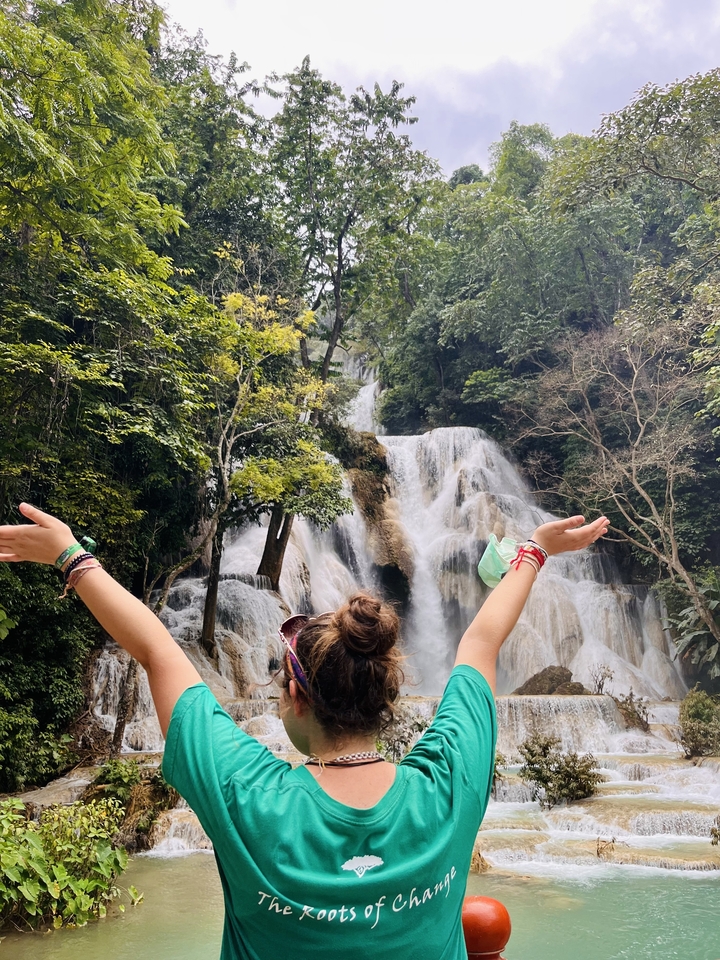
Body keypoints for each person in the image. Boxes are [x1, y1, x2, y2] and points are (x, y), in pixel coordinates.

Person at [0, 503, 608, 960]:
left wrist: (71, 557)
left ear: (295, 697)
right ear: (386, 695)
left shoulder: (251, 796)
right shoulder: (449, 782)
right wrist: (533, 549)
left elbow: (158, 651)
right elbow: (481, 641)